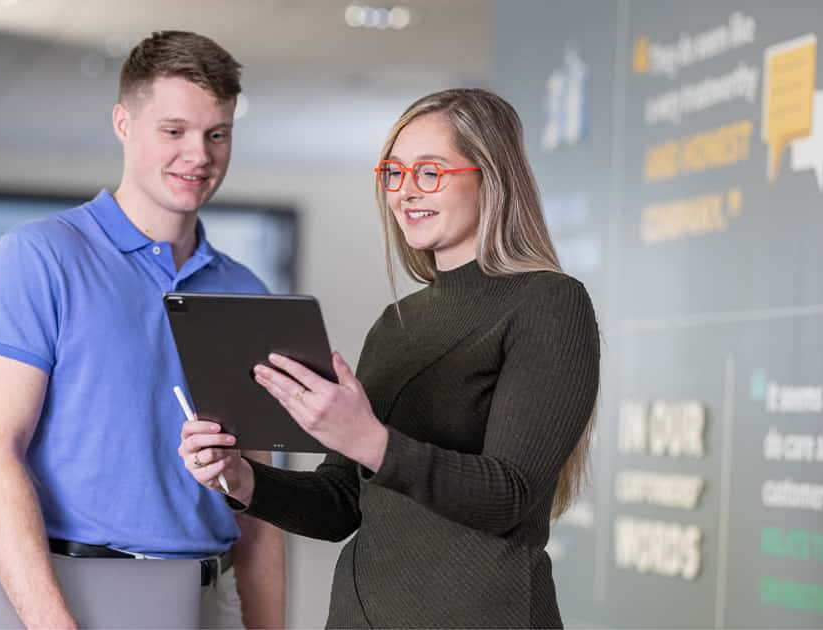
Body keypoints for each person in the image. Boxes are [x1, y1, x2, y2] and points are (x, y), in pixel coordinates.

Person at [180, 88, 601, 628]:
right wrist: (240, 480)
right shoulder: (396, 323)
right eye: (394, 173)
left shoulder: (548, 302)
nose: (406, 192)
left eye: (430, 172)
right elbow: (341, 504)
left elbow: (508, 498)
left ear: (492, 177)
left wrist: (370, 441)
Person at [0, 31, 285, 629]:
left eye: (217, 134)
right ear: (123, 123)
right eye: (174, 131)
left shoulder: (247, 294)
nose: (199, 155)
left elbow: (259, 505)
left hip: (209, 602)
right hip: (74, 598)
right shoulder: (36, 260)